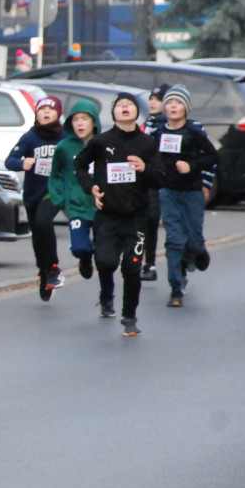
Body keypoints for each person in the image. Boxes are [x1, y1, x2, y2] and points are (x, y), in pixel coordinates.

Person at [74, 92, 165, 336]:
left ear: (137, 112)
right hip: (108, 215)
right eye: (120, 105)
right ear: (113, 112)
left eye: (130, 104)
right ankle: (106, 297)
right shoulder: (101, 142)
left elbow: (159, 179)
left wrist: (144, 168)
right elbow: (79, 165)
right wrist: (90, 187)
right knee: (105, 262)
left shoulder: (147, 143)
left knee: (132, 268)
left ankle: (129, 317)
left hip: (137, 216)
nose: (125, 108)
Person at [148, 85, 218, 307]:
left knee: (193, 240)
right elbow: (149, 160)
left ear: (185, 108)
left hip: (192, 192)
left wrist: (191, 166)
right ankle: (175, 287)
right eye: (169, 103)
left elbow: (213, 157)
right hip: (169, 193)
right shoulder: (158, 133)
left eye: (177, 103)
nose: (172, 107)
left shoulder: (194, 132)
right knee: (174, 240)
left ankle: (196, 251)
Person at [5, 95, 65, 301]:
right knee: (37, 234)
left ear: (58, 113)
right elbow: (9, 160)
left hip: (55, 191)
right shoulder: (30, 137)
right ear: (36, 114)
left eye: (51, 109)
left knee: (43, 221)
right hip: (33, 193)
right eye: (42, 110)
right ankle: (44, 272)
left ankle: (53, 269)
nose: (46, 113)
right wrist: (24, 162)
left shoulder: (65, 136)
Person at [48, 99, 101, 280]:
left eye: (84, 118)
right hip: (76, 207)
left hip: (102, 206)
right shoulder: (64, 147)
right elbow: (54, 174)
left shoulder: (104, 144)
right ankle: (85, 259)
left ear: (94, 121)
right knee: (79, 248)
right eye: (76, 119)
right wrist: (59, 199)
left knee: (104, 254)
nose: (80, 123)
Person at [140, 83, 169, 281]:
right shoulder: (146, 124)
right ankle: (145, 262)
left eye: (157, 100)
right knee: (145, 220)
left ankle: (153, 261)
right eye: (151, 99)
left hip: (162, 181)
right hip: (143, 179)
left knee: (155, 220)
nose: (153, 103)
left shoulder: (168, 125)